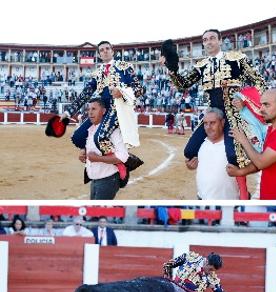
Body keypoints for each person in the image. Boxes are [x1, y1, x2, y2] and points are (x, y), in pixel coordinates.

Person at [160, 29, 265, 200]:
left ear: (220, 40)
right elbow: (182, 85)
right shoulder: (201, 65)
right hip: (212, 115)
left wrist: (244, 99)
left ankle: (243, 194)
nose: (208, 42)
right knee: (189, 151)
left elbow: (259, 82)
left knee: (233, 156)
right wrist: (171, 69)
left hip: (234, 115)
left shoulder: (237, 59)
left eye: (212, 38)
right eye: (205, 39)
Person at [62, 41, 142, 169]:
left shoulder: (125, 67)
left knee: (101, 137)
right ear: (99, 55)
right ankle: (118, 157)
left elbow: (139, 89)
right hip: (102, 110)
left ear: (112, 51)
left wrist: (122, 92)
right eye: (102, 50)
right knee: (78, 137)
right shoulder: (97, 73)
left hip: (118, 110)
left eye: (107, 48)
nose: (105, 51)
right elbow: (85, 93)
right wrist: (68, 112)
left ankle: (124, 161)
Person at [79, 98, 129, 200]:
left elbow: (122, 157)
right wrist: (83, 152)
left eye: (94, 109)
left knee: (97, 210)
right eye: (88, 109)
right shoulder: (91, 129)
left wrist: (97, 158)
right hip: (95, 179)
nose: (90, 112)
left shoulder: (113, 130)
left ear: (103, 111)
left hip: (108, 179)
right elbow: (90, 148)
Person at [186, 108, 240, 200]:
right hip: (202, 198)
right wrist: (190, 166)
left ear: (222, 122)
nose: (208, 127)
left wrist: (240, 171)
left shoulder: (234, 145)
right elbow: (191, 163)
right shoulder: (200, 144)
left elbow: (256, 165)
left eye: (212, 123)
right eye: (206, 123)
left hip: (229, 201)